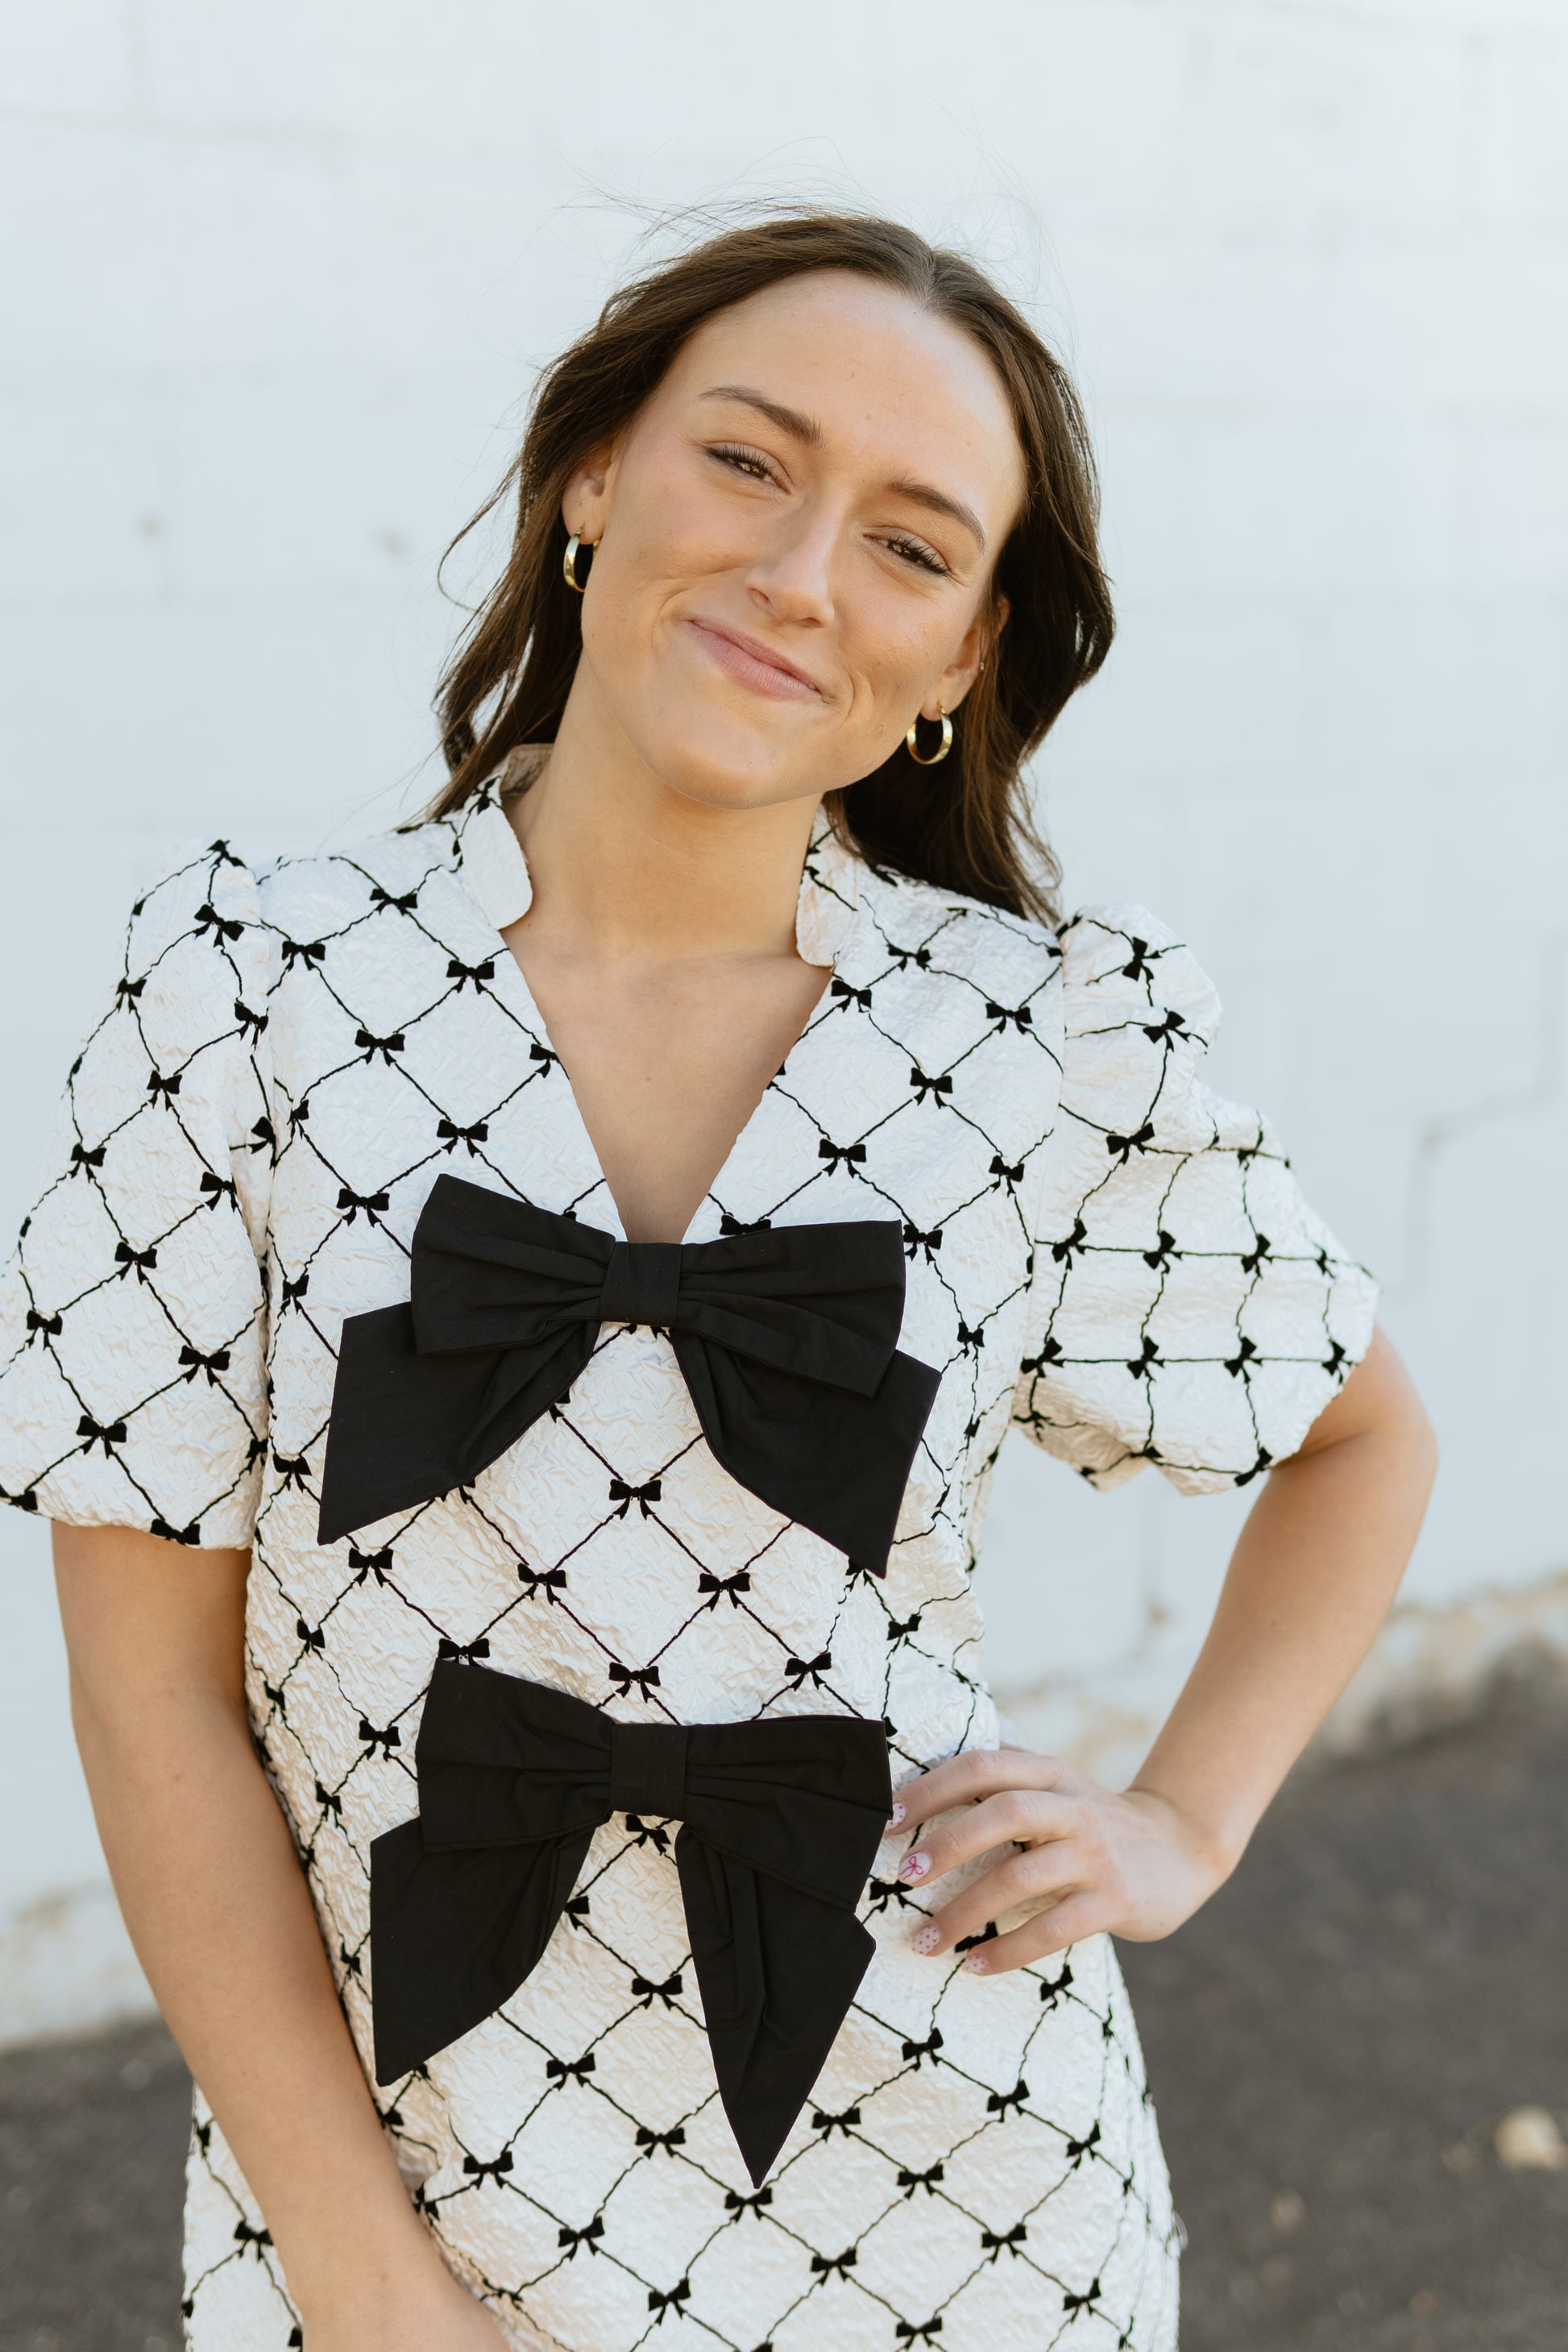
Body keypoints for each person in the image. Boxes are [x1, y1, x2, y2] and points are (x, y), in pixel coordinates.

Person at [0, 213, 1435, 2352]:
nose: (797, 575)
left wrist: (1173, 1821)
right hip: (408, 2190)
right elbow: (153, 1699)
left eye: (912, 545)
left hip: (964, 2209)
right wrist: (361, 2269)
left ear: (960, 659)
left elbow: (1360, 1437)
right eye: (746, 463)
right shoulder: (251, 983)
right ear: (595, 480)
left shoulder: (1044, 1038)